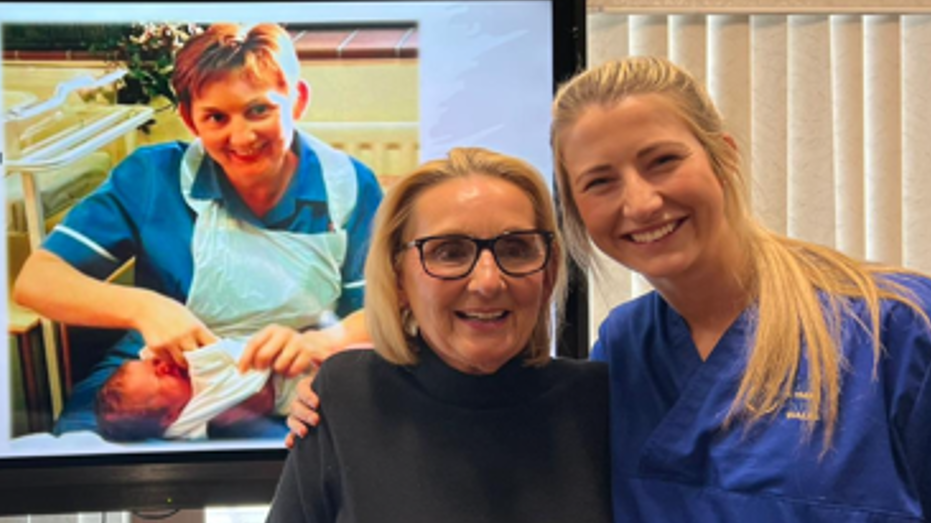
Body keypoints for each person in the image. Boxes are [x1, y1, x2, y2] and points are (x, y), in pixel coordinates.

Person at [548, 55, 931, 521]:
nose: (642, 203)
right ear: (575, 210)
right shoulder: (623, 348)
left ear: (724, 157)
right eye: (599, 182)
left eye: (663, 161)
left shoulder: (892, 327)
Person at [12, 22, 383, 436]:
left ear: (296, 101)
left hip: (292, 383)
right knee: (82, 464)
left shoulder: (349, 189)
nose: (241, 136)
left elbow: (386, 314)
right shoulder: (153, 178)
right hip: (158, 381)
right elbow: (36, 281)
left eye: (259, 109)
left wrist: (323, 343)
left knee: (290, 477)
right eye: (216, 118)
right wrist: (148, 309)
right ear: (190, 119)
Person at [265, 147, 611, 523]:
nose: (488, 281)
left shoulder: (599, 403)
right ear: (398, 278)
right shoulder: (345, 395)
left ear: (548, 271)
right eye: (449, 252)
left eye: (516, 249)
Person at [95, 338, 307, 441]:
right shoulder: (192, 421)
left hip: (286, 350)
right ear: (170, 417)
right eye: (160, 377)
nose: (163, 364)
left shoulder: (183, 365)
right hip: (291, 392)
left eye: (153, 364)